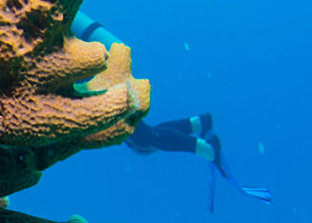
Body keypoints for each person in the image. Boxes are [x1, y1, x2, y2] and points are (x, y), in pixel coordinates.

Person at [74, 12, 273, 212]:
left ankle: (209, 149)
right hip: (101, 58)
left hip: (96, 66)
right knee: (143, 140)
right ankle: (198, 124)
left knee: (143, 139)